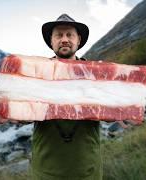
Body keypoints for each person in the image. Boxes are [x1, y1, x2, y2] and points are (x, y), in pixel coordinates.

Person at [30, 14, 102, 180]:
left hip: (88, 171)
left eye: (70, 35)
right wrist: (15, 114)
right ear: (51, 41)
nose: (64, 39)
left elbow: (113, 107)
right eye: (59, 35)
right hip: (44, 172)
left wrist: (120, 110)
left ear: (78, 40)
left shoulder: (97, 76)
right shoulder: (35, 75)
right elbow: (26, 113)